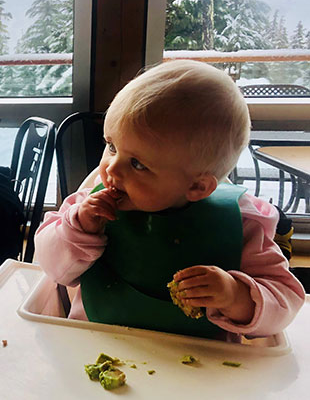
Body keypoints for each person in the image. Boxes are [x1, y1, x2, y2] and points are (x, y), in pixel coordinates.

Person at [35, 60, 304, 339]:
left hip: (203, 368)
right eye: (112, 146)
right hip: (92, 346)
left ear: (198, 186)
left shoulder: (241, 225)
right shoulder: (88, 207)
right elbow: (51, 268)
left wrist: (235, 296)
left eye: (137, 164)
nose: (112, 169)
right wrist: (77, 228)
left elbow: (286, 302)